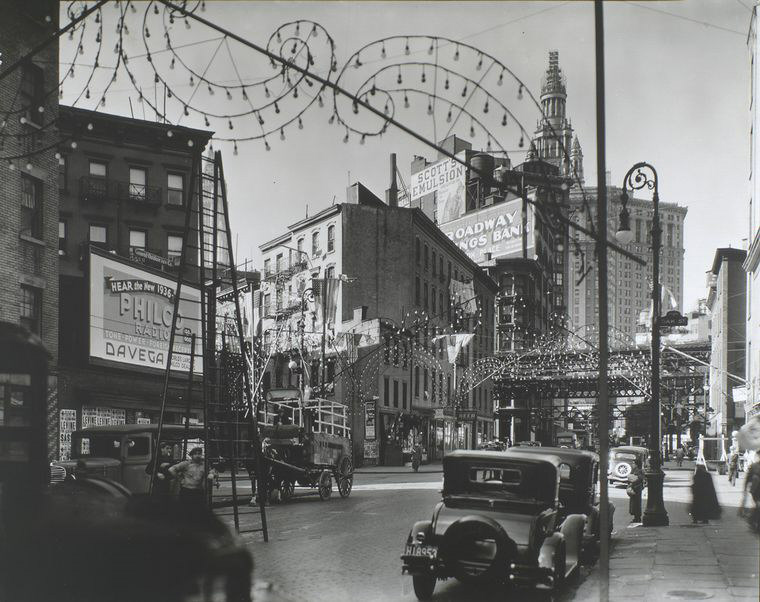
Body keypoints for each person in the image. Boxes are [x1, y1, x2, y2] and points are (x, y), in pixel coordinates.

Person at [740, 451, 760, 533]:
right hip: (756, 490)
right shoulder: (754, 466)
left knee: (758, 506)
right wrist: (745, 491)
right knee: (758, 505)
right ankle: (754, 522)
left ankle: (753, 521)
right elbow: (747, 479)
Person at [627, 457, 646, 523]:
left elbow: (640, 479)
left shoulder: (639, 470)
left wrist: (633, 479)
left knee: (636, 503)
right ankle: (636, 516)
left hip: (637, 488)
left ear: (637, 464)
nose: (632, 464)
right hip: (634, 487)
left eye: (633, 463)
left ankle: (637, 517)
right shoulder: (634, 470)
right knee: (634, 503)